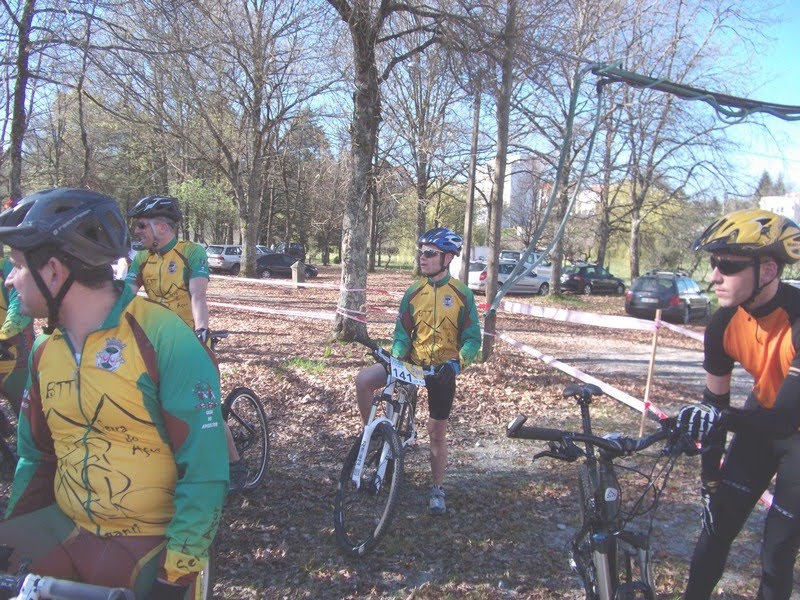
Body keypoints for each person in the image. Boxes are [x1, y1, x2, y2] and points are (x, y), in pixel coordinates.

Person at [0, 188, 228, 599]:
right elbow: (36, 458)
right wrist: (13, 539)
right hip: (65, 533)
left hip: (150, 546)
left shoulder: (163, 338)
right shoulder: (43, 349)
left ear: (53, 271)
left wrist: (174, 576)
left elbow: (204, 472)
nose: (9, 280)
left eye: (17, 266)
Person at [676, 209, 800, 600]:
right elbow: (714, 401)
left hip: (792, 428)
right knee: (715, 527)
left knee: (777, 551)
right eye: (714, 264)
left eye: (728, 266)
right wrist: (709, 479)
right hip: (760, 419)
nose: (715, 276)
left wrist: (720, 417)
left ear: (768, 270)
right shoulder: (722, 324)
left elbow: (786, 420)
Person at [354, 227, 481, 515]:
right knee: (364, 380)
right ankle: (377, 437)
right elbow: (402, 333)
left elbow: (473, 339)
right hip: (411, 364)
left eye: (430, 253)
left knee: (436, 432)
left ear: (447, 258)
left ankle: (437, 488)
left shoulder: (462, 294)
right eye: (421, 252)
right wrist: (396, 357)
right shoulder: (413, 292)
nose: (422, 258)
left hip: (442, 370)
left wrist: (458, 363)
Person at [124, 196, 246, 491]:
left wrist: (201, 330)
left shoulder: (191, 252)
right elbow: (125, 297)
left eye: (141, 225)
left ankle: (235, 464)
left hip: (189, 337)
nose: (136, 231)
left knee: (204, 405)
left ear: (162, 227)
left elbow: (198, 295)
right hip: (157, 341)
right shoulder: (141, 258)